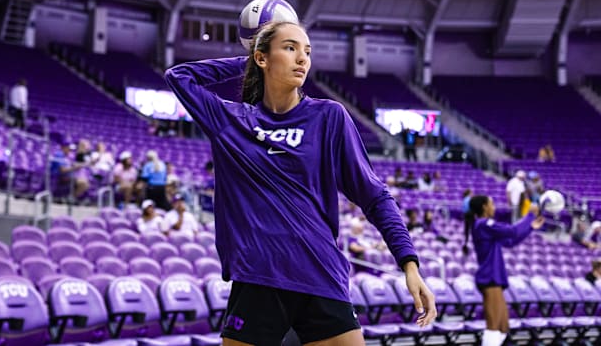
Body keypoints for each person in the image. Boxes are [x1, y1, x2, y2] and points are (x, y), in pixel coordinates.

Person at [165, 20, 435, 346]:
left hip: (320, 274)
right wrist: (250, 58)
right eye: (290, 48)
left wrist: (409, 263)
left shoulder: (329, 117)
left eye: (307, 51)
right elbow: (179, 77)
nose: (303, 58)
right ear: (262, 58)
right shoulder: (231, 120)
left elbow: (375, 196)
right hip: (258, 278)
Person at [463, 195, 544, 346]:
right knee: (493, 327)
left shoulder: (487, 228)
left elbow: (510, 241)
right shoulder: (483, 224)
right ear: (485, 207)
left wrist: (531, 227)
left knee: (503, 327)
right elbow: (512, 231)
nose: (494, 207)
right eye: (492, 204)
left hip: (495, 278)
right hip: (489, 278)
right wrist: (530, 215)